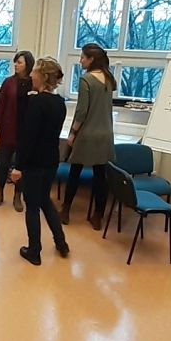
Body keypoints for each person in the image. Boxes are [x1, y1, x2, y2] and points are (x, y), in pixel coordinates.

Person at [10, 57, 70, 266]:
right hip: (51, 160)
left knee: (33, 206)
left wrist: (18, 167)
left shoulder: (36, 103)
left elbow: (28, 138)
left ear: (42, 77)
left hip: (34, 163)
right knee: (45, 200)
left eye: (34, 72)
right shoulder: (60, 103)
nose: (31, 75)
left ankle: (34, 251)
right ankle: (61, 243)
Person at [60, 43, 116, 229]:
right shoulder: (109, 79)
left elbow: (82, 111)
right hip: (105, 134)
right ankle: (98, 216)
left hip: (87, 133)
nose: (80, 61)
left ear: (91, 59)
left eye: (83, 57)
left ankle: (65, 211)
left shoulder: (86, 80)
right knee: (100, 176)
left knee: (75, 171)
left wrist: (72, 133)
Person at [0, 51, 34, 211]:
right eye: (15, 62)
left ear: (28, 65)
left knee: (21, 165)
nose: (16, 65)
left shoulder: (33, 83)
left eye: (19, 62)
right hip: (8, 129)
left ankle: (17, 195)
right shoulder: (8, 82)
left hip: (25, 131)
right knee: (3, 163)